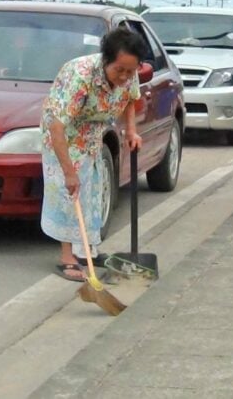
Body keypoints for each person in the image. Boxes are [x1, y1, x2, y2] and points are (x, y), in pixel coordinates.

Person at [40, 27, 145, 282]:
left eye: (130, 71)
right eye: (118, 70)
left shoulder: (130, 75)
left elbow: (131, 98)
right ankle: (67, 256)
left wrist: (131, 131)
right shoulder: (81, 75)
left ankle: (87, 249)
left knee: (93, 190)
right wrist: (68, 171)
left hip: (92, 131)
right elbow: (57, 125)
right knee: (72, 191)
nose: (124, 76)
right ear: (106, 60)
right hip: (62, 132)